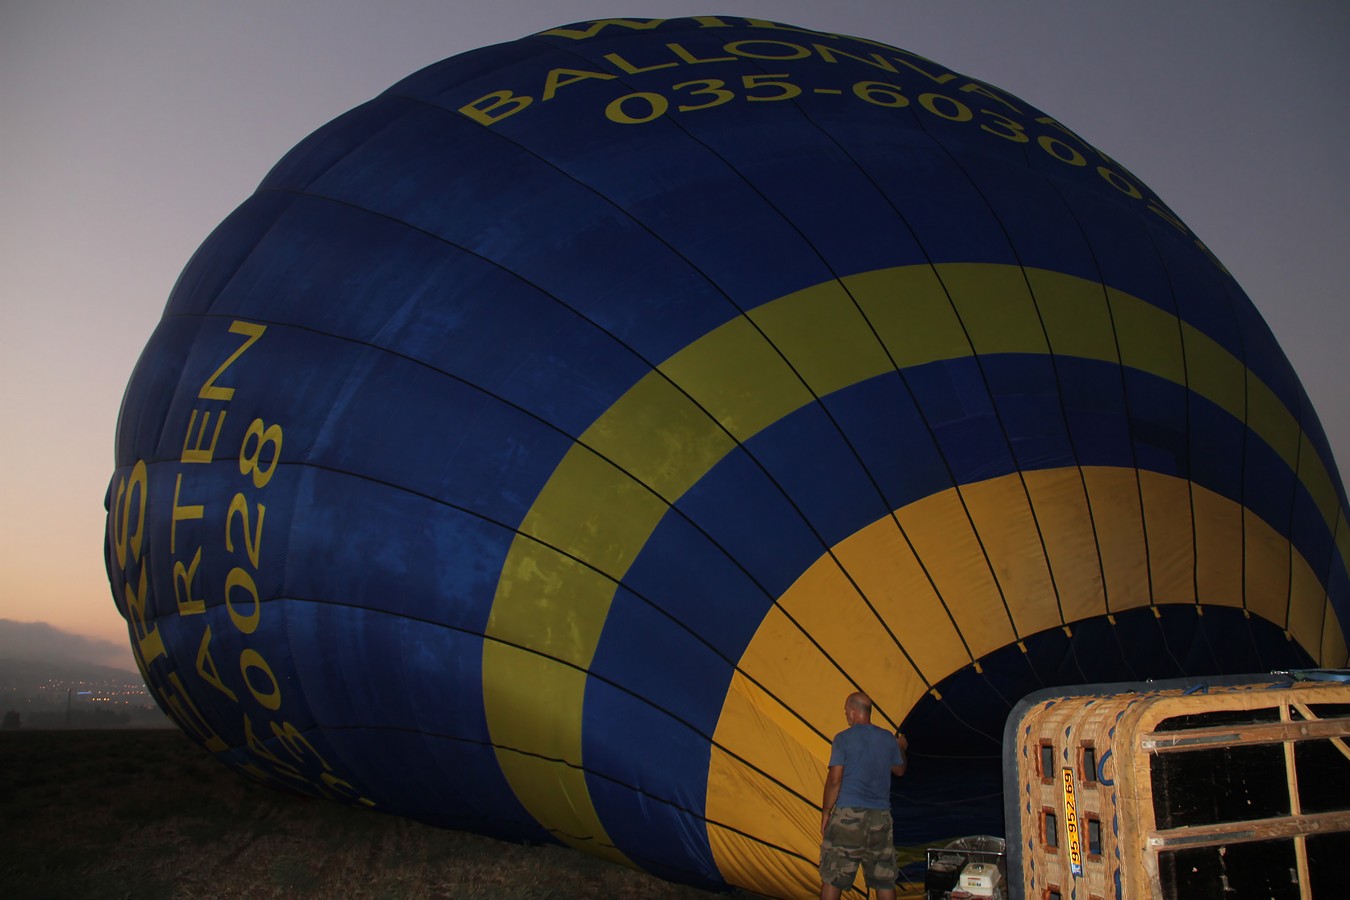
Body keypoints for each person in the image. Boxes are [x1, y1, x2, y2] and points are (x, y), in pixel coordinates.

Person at [819, 691, 908, 900]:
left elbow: (834, 780)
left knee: (833, 877)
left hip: (849, 818)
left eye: (845, 712)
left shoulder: (842, 739)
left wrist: (825, 812)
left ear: (852, 711)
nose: (846, 716)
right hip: (881, 819)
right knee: (884, 879)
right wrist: (901, 748)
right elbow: (900, 770)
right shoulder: (887, 738)